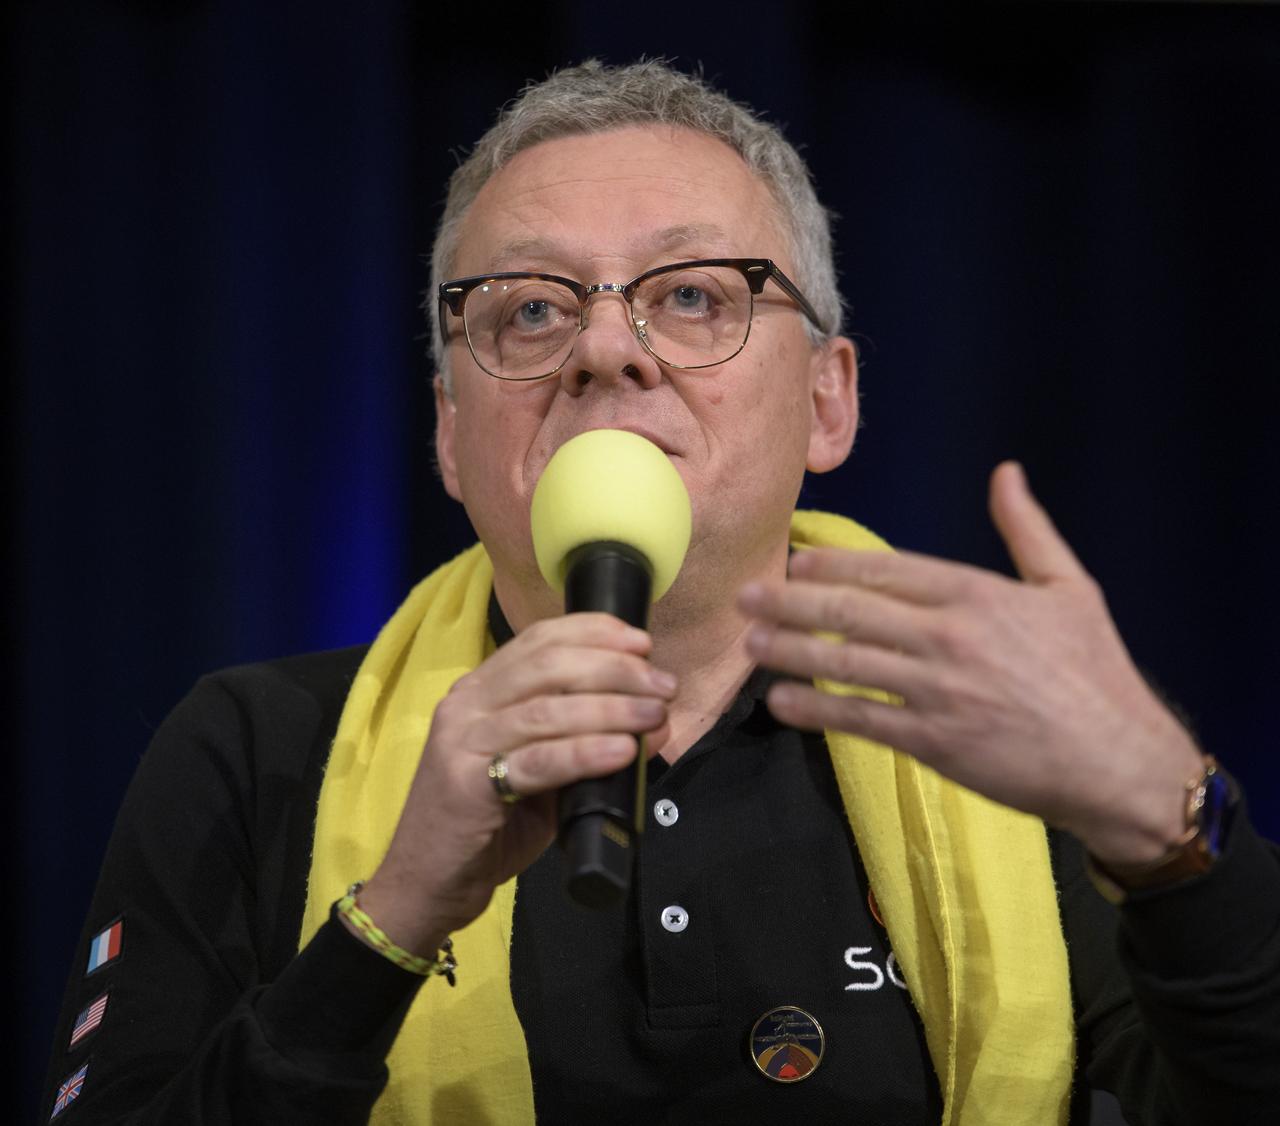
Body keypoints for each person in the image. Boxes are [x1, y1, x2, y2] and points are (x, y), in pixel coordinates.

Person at [44, 59, 1279, 1125]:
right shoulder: (257, 750)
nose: (602, 349)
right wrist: (391, 919)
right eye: (531, 309)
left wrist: (1171, 828)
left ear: (828, 399)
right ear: (449, 434)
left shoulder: (992, 730)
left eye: (691, 295)